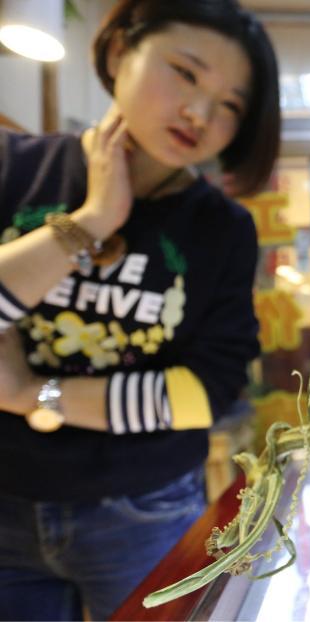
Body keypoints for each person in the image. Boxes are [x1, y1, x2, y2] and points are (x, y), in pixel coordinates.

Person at [0, 1, 279, 618]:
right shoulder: (16, 168)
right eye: (185, 72)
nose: (200, 113)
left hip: (145, 504)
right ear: (120, 50)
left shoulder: (223, 228)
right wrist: (92, 220)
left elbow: (206, 392)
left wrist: (30, 394)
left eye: (231, 105)